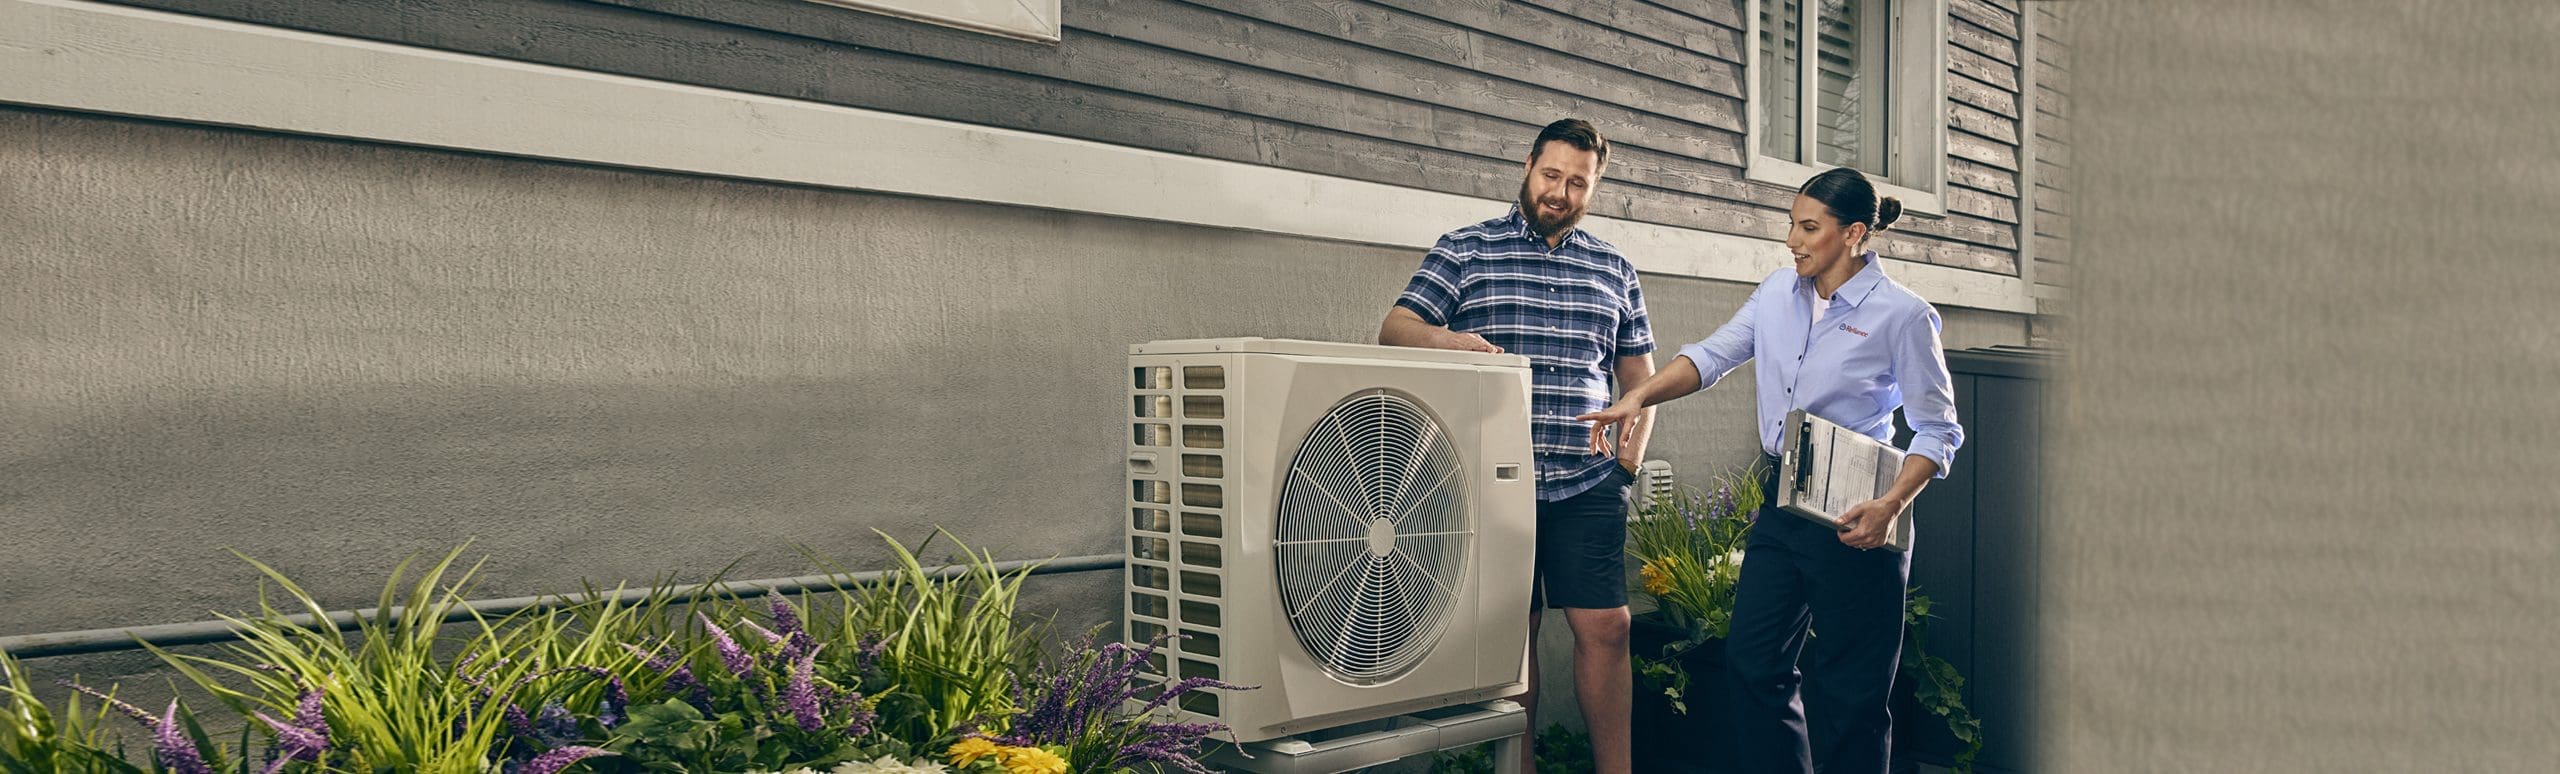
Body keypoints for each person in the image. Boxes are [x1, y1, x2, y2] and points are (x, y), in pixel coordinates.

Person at [1578, 166, 1965, 774]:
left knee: (1853, 693)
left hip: (1858, 508)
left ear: (1854, 233)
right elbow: (1712, 355)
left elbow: (1939, 430)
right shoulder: (1776, 295)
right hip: (1782, 501)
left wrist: (1890, 505)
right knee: (1753, 662)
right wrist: (1640, 396)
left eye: (1809, 227)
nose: (1793, 239)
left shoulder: (1903, 315)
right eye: (1791, 223)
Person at [1379, 118, 1653, 774]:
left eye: (1577, 182)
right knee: (1513, 642)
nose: (1560, 191)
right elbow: (1396, 327)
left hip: (1588, 482)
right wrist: (1454, 343)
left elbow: (1639, 375)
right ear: (1529, 166)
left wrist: (1628, 458)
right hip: (1493, 482)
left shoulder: (1614, 266)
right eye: (1551, 174)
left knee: (1609, 629)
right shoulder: (1466, 249)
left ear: (1595, 187)